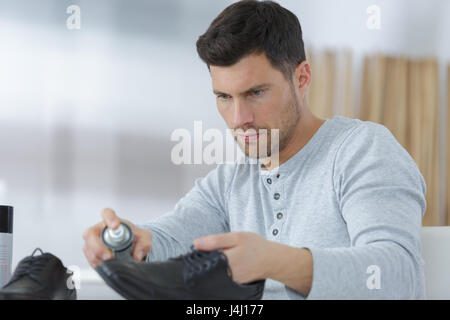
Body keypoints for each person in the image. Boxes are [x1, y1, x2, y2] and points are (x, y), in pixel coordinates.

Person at [82, 0, 427, 299]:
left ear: (302, 78)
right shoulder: (232, 181)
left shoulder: (362, 150)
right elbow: (169, 238)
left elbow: (396, 277)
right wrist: (130, 242)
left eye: (256, 93)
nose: (239, 119)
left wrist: (272, 260)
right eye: (224, 97)